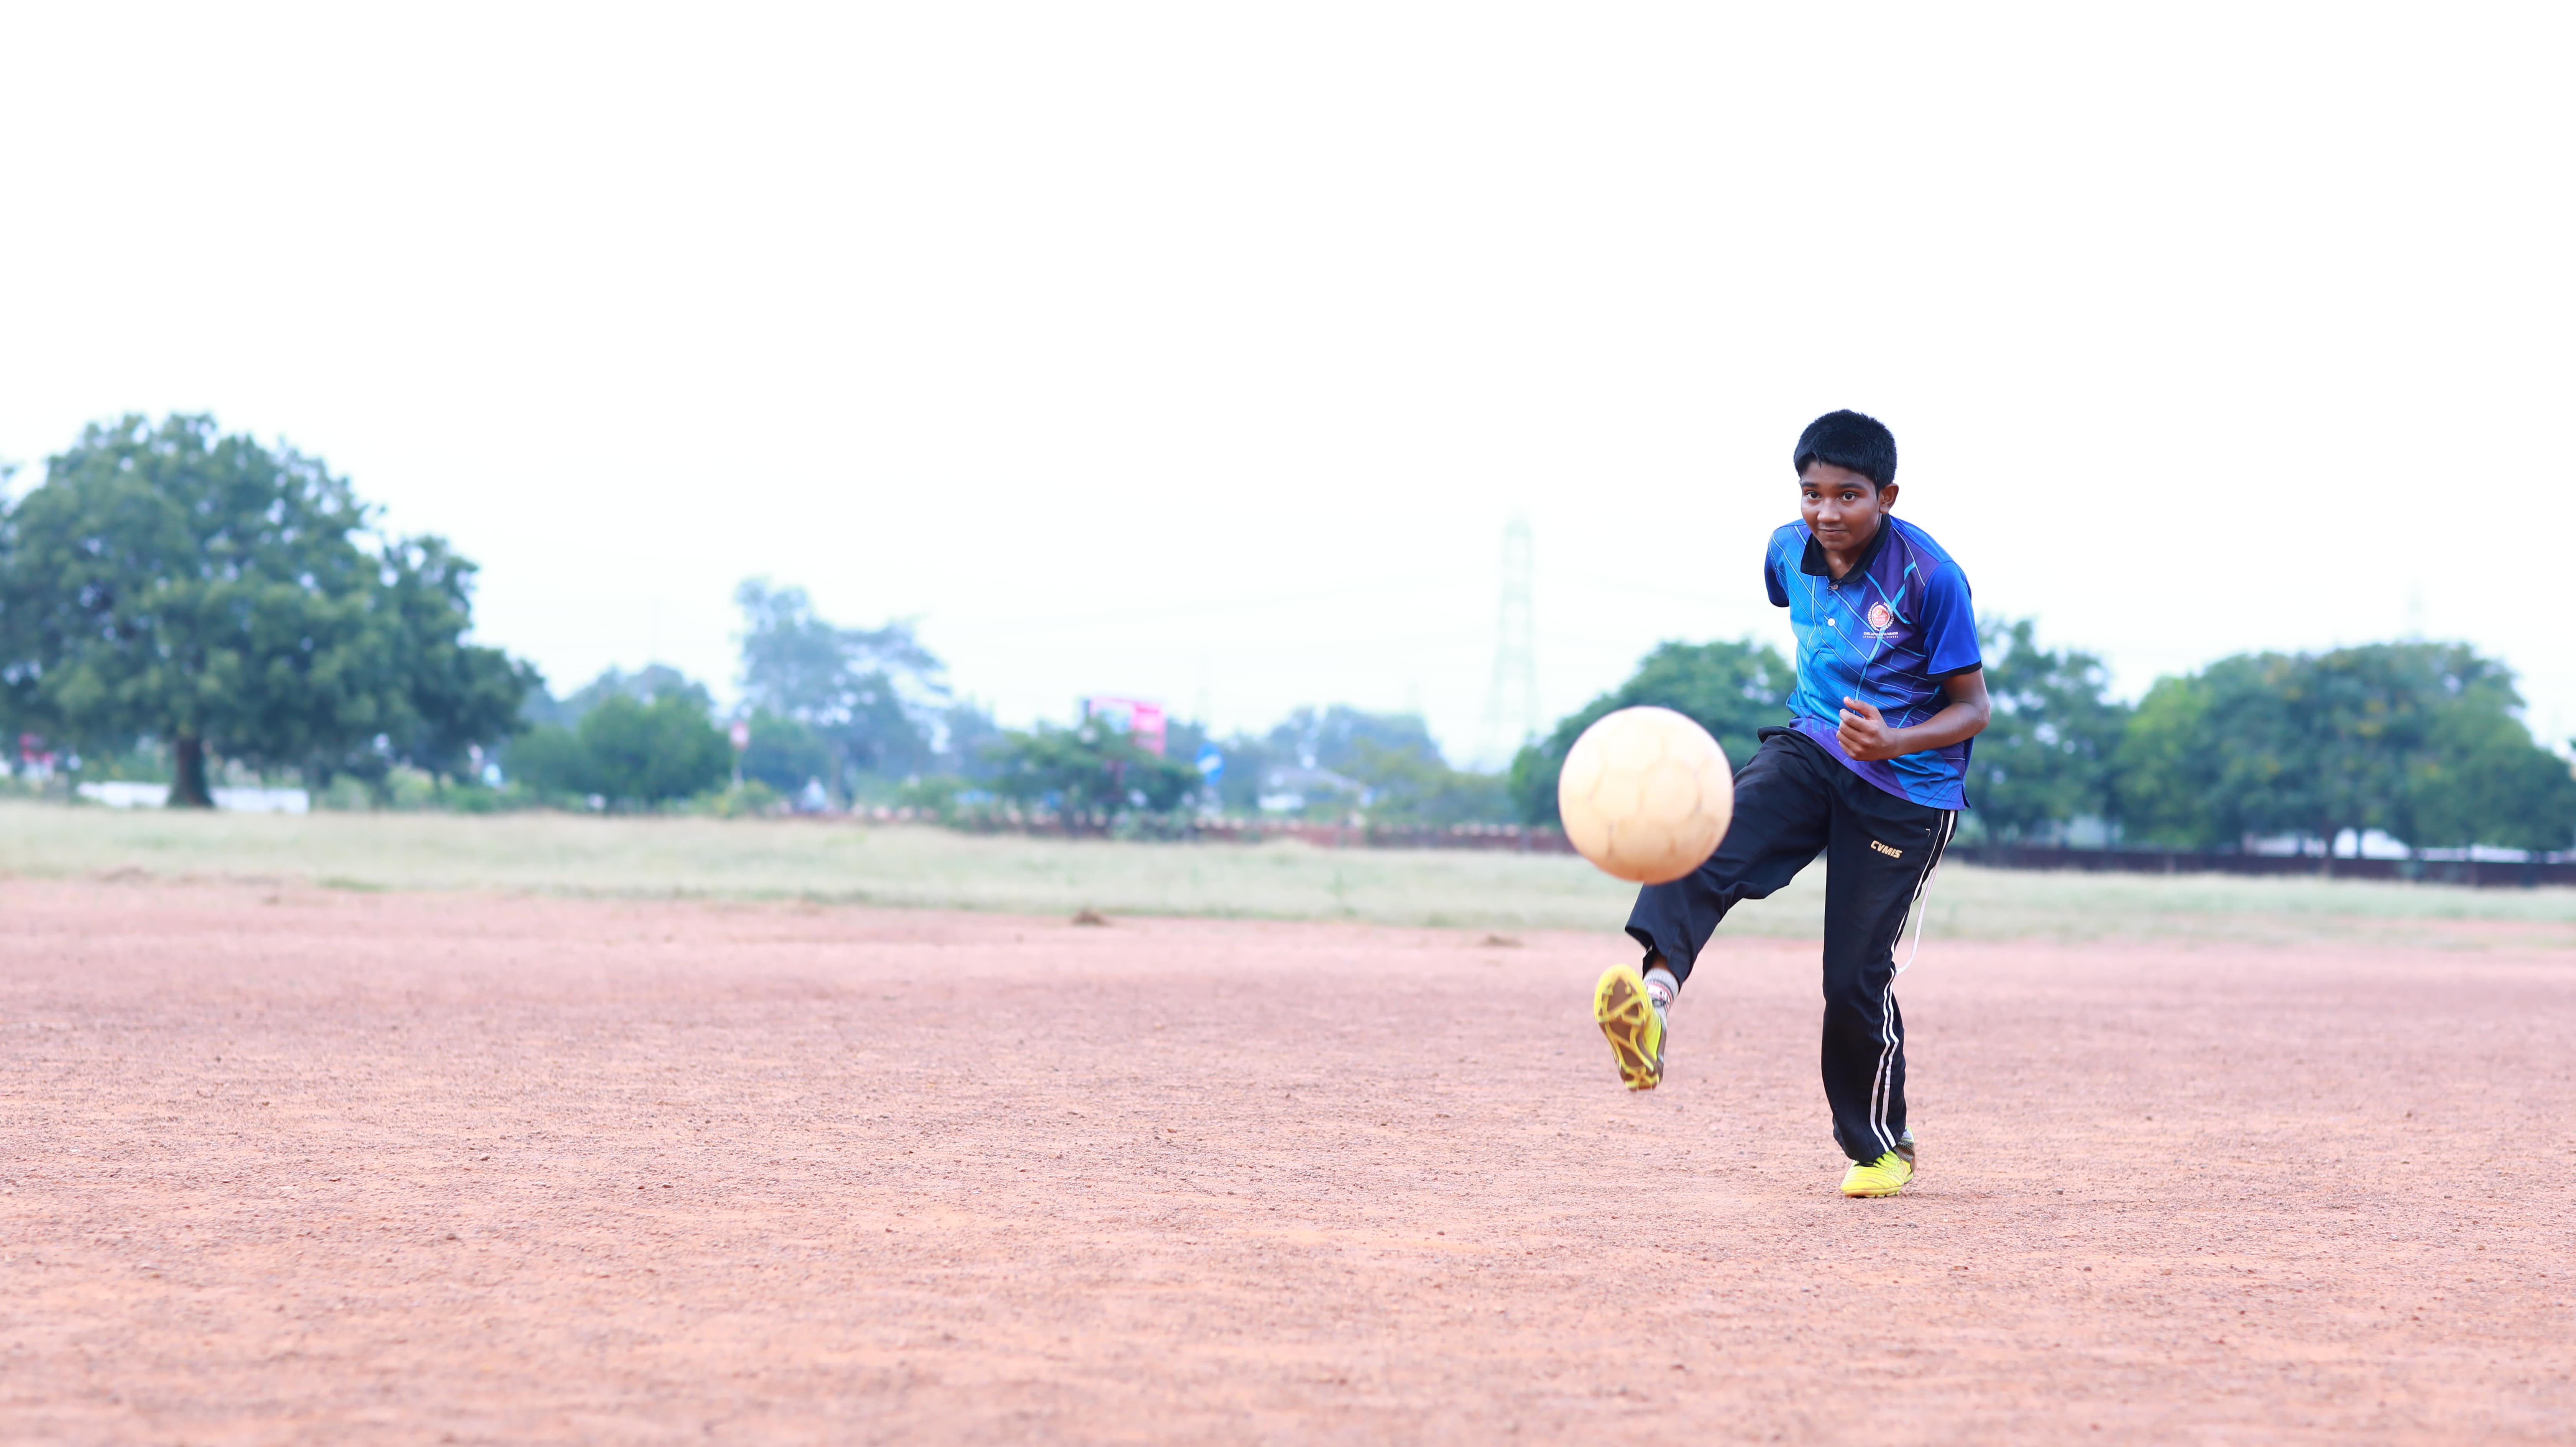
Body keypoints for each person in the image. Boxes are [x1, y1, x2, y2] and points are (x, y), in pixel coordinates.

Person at [1594, 409, 1990, 1199]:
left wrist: (1893, 740)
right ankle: (1656, 1002)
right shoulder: (1785, 550)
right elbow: (1803, 610)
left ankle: (1880, 1146)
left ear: (1887, 496)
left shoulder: (1931, 578)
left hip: (1907, 791)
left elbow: (1973, 708)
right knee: (1702, 841)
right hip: (1812, 747)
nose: (1827, 512)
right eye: (1813, 494)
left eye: (1848, 495)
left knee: (1853, 978)